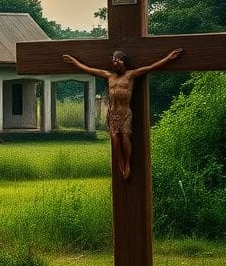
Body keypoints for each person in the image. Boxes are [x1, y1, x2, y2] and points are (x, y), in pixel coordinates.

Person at [62, 48, 183, 180]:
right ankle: (121, 165)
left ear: (122, 60)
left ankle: (127, 164)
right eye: (113, 61)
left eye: (117, 60)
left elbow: (151, 67)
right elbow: (88, 69)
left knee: (125, 138)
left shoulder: (130, 75)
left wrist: (169, 58)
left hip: (125, 112)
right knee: (115, 140)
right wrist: (74, 61)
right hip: (112, 114)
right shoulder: (108, 75)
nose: (115, 63)